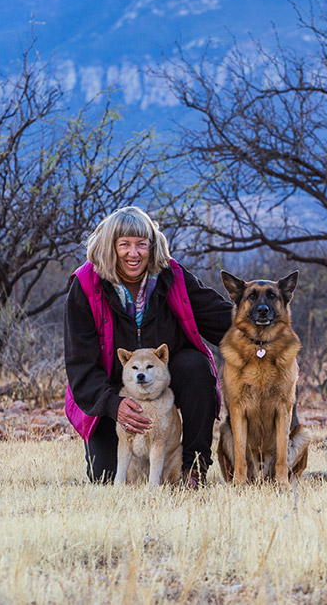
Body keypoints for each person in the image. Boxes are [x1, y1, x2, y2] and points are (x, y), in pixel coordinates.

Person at [64, 206, 233, 487]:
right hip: (110, 391)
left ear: (152, 247)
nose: (134, 253)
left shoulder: (172, 276)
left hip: (167, 377)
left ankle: (194, 468)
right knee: (104, 477)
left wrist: (270, 337)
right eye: (125, 245)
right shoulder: (85, 286)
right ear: (110, 246)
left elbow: (220, 317)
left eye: (142, 244)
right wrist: (113, 405)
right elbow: (80, 364)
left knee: (196, 366)